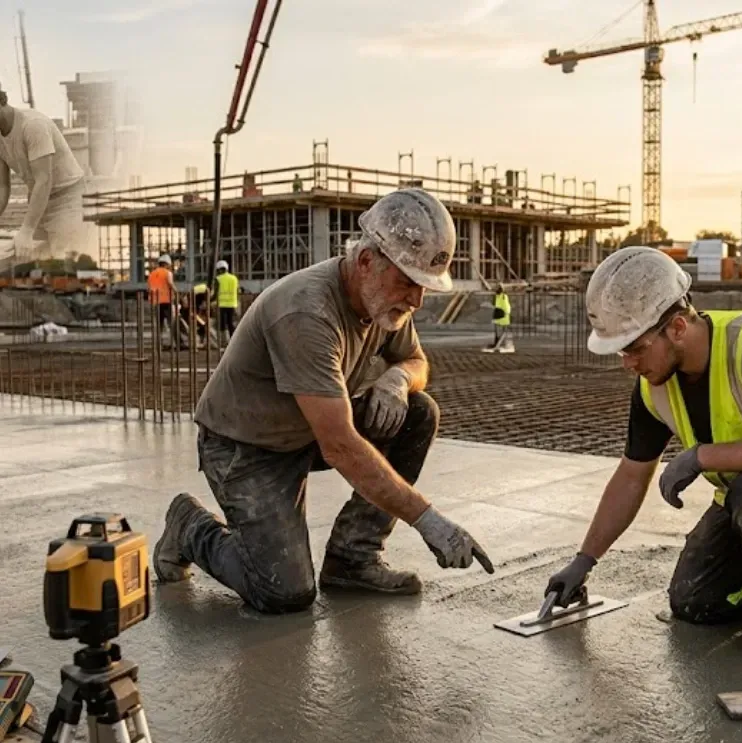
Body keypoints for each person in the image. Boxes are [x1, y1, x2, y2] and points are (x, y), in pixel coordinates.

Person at [153, 188, 494, 614]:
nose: (417, 300)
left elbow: (416, 360)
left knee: (418, 411)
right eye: (408, 282)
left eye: (423, 286)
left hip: (302, 433)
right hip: (246, 449)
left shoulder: (382, 302)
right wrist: (428, 520)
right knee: (283, 594)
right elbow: (339, 445)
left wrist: (397, 378)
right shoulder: (308, 313)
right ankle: (190, 527)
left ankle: (353, 558)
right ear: (367, 261)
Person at [544, 246, 742, 656]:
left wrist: (701, 457)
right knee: (694, 602)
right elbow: (631, 475)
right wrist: (584, 560)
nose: (627, 362)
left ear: (677, 328)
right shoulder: (654, 385)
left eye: (635, 348)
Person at [0, 83, 86, 265]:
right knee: (33, 259)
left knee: (65, 261)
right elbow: (3, 186)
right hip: (38, 197)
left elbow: (44, 179)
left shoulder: (32, 126)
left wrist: (26, 230)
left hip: (67, 197)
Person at [146, 254, 174, 337]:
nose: (169, 266)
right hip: (166, 301)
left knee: (159, 324)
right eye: (169, 265)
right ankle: (177, 343)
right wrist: (177, 293)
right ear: (166, 264)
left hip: (155, 302)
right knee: (171, 322)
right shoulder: (167, 273)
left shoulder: (152, 274)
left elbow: (149, 288)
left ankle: (159, 344)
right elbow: (170, 284)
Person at [212, 260, 239, 343]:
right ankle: (233, 341)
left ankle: (223, 342)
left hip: (222, 304)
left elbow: (215, 293)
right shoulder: (234, 278)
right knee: (231, 323)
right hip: (233, 304)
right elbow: (237, 291)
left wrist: (209, 300)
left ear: (220, 270)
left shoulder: (218, 279)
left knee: (222, 324)